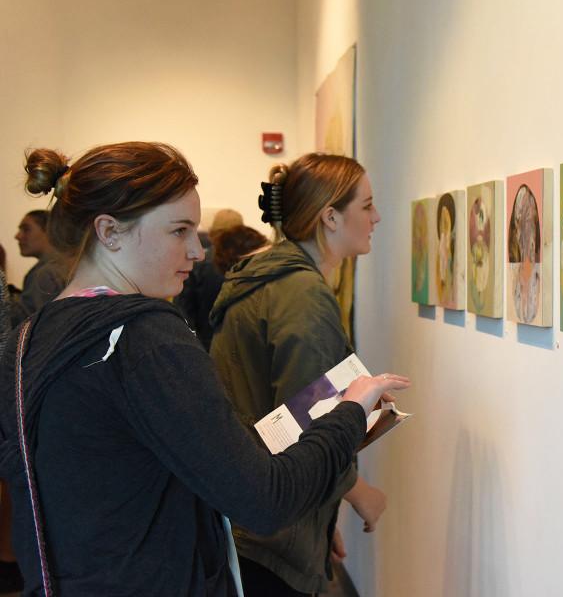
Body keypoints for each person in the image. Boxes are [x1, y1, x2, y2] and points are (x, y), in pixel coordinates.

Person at [0, 142, 409, 596]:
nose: (197, 251)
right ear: (109, 232)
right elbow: (263, 500)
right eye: (179, 231)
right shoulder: (145, 338)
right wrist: (350, 413)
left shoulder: (29, 337)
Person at [209, 154, 388, 596]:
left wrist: (320, 525)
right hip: (268, 530)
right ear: (330, 216)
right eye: (366, 206)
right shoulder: (302, 293)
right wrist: (359, 492)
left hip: (258, 517)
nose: (376, 217)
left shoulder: (273, 281)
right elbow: (305, 424)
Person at [174, 209, 244, 350]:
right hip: (241, 349)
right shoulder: (254, 263)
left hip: (206, 346)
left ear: (213, 233)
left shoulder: (197, 263)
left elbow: (183, 310)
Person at [9, 210, 66, 327]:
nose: (17, 236)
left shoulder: (45, 274)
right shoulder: (63, 266)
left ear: (49, 230)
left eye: (26, 229)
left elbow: (40, 326)